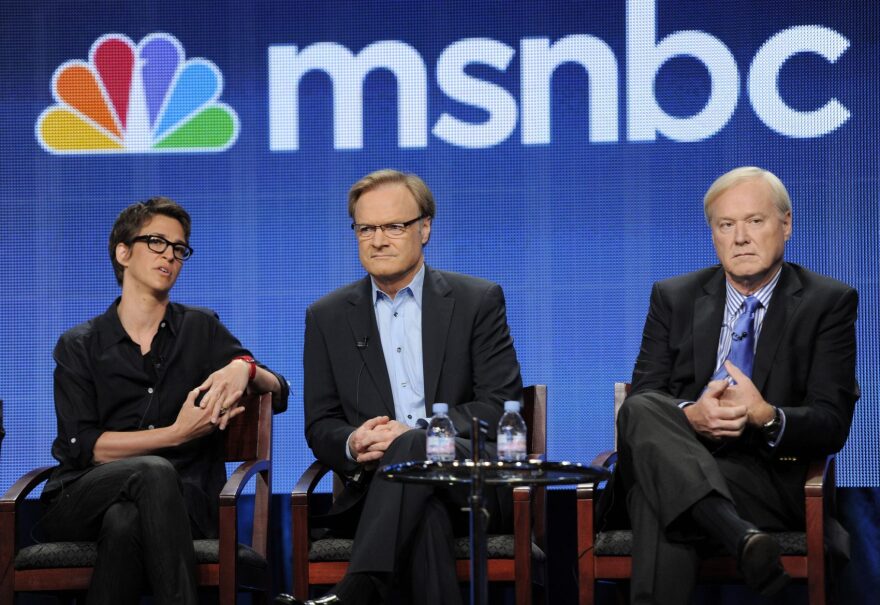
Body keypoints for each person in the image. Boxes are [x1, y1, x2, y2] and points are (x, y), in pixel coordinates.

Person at [606, 167, 859, 604]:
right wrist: (692, 416)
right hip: (684, 458)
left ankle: (731, 525)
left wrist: (766, 415)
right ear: (714, 235)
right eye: (726, 225)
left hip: (764, 480)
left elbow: (831, 422)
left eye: (754, 221)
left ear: (786, 225)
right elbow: (647, 394)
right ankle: (738, 535)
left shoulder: (827, 302)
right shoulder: (674, 296)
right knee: (639, 408)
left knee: (656, 493)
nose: (740, 237)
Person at [282, 169, 522, 605]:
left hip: (470, 479)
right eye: (366, 228)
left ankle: (355, 591)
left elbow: (497, 408)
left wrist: (424, 431)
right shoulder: (327, 316)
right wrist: (355, 442)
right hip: (381, 492)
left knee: (414, 443)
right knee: (424, 515)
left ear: (424, 228)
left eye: (394, 226)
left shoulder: (477, 301)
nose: (378, 240)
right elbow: (320, 425)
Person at [37, 197, 289, 605]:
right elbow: (84, 446)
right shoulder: (79, 345)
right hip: (82, 500)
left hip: (183, 506)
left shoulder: (201, 329)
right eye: (156, 242)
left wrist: (244, 368)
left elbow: (278, 391)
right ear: (123, 252)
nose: (169, 255)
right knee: (151, 473)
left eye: (179, 248)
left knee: (125, 521)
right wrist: (176, 434)